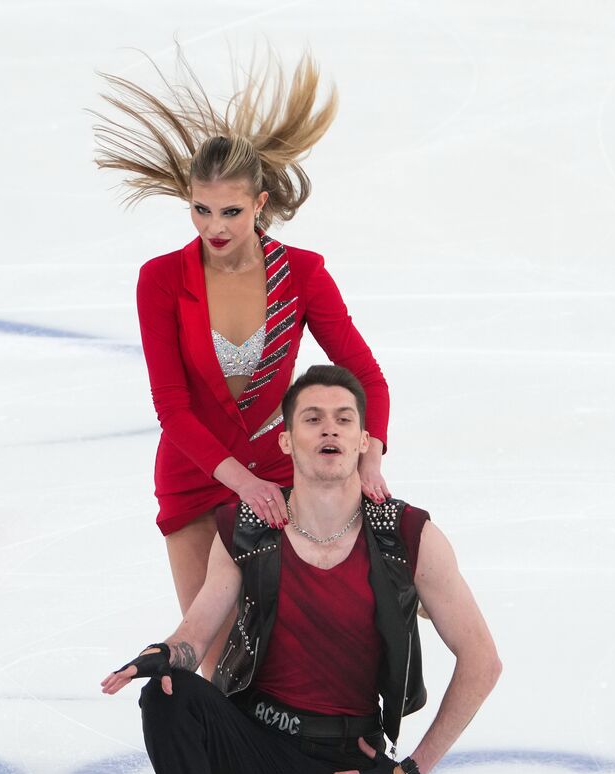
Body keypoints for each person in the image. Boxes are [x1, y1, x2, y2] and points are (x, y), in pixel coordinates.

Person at [101, 365, 502, 774]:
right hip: (256, 744)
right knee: (167, 691)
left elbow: (482, 660)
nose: (329, 430)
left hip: (347, 771)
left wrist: (411, 771)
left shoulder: (408, 535)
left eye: (344, 419)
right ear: (287, 440)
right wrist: (167, 652)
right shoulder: (249, 526)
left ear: (366, 441)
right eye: (312, 419)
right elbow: (199, 627)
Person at [93, 51, 393, 674]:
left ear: (259, 203)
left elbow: (366, 378)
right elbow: (172, 410)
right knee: (219, 658)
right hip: (195, 473)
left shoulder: (301, 274)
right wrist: (243, 483)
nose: (215, 227)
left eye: (230, 211)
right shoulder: (160, 280)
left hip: (280, 478)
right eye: (201, 210)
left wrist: (371, 456)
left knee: (291, 648)